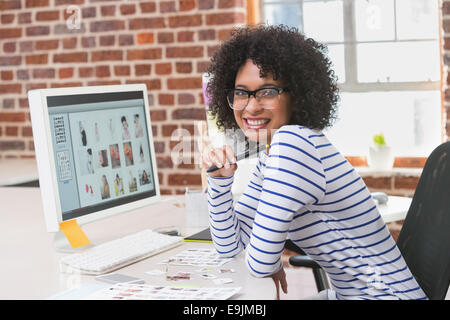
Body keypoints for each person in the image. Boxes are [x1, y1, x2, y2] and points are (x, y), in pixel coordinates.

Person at [201, 25, 427, 300]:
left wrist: (269, 263)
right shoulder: (272, 155)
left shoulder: (293, 145)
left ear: (296, 94)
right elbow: (231, 249)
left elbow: (258, 262)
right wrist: (220, 183)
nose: (251, 106)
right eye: (241, 92)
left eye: (268, 92)